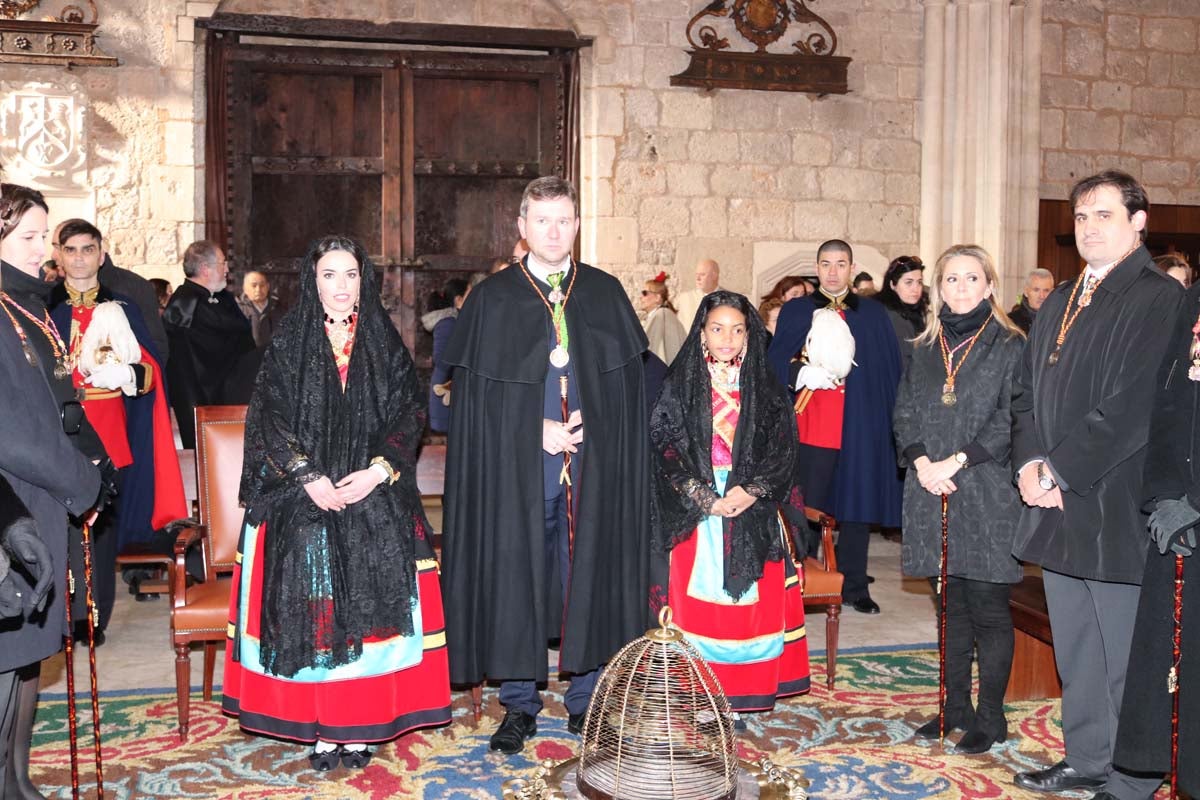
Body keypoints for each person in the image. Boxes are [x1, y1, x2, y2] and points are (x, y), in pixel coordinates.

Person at [223, 235, 451, 769]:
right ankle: (325, 727)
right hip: (303, 491)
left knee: (375, 546)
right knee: (311, 555)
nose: (342, 286)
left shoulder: (384, 340)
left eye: (351, 274)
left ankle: (359, 727)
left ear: (364, 281)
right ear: (313, 280)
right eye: (330, 274)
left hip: (371, 487)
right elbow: (268, 418)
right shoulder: (289, 340)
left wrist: (377, 471)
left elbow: (408, 415)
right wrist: (306, 476)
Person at [441, 176, 652, 755]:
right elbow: (475, 406)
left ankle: (586, 701)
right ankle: (520, 703)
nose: (553, 231)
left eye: (564, 220)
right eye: (542, 221)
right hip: (518, 472)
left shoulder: (605, 293)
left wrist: (599, 426)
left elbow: (631, 396)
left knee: (586, 573)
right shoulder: (492, 298)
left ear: (577, 226)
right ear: (522, 227)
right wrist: (531, 429)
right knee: (518, 575)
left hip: (590, 471)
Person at [1010, 170, 1183, 798]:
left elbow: (1134, 406)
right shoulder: (1059, 299)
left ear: (1139, 222)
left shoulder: (1159, 298)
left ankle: (1132, 778)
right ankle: (1086, 758)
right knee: (1077, 649)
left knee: (1124, 655)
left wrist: (1058, 469)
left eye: (1104, 215)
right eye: (1081, 217)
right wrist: (1029, 464)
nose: (1089, 227)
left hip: (1114, 504)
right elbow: (1026, 395)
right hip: (1056, 506)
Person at [893, 244, 1026, 754]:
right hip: (929, 490)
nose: (961, 287)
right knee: (949, 607)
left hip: (986, 488)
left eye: (972, 278)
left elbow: (1011, 418)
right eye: (951, 279)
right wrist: (924, 462)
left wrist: (958, 461)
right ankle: (953, 709)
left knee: (988, 608)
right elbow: (904, 410)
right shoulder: (923, 347)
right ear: (938, 288)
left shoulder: (1011, 345)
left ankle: (991, 719)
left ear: (989, 286)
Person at [650, 290, 809, 714]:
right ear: (701, 333)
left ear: (748, 335)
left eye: (737, 330)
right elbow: (664, 449)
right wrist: (705, 497)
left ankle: (743, 694)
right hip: (697, 510)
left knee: (749, 610)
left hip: (751, 506)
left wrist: (750, 490)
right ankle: (699, 698)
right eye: (717, 329)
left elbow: (784, 450)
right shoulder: (679, 386)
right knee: (700, 611)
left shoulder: (765, 386)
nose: (727, 338)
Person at [0, 182, 108, 798]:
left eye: (48, 235)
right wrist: (81, 479)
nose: (47, 249)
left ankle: (16, 782)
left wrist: (93, 453)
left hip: (46, 499)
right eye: (32, 237)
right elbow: (12, 428)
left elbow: (59, 400)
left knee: (28, 654)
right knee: (6, 654)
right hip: (15, 501)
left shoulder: (31, 303)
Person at [46, 219, 187, 632]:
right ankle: (56, 617)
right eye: (70, 250)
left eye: (87, 249)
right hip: (58, 433)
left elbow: (152, 373)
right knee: (58, 526)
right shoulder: (43, 307)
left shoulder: (122, 308)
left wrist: (128, 373)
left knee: (100, 532)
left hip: (109, 433)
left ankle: (93, 618)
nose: (78, 258)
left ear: (101, 255)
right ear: (58, 255)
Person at [767, 239, 903, 615]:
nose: (832, 271)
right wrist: (799, 373)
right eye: (825, 264)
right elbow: (773, 362)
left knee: (857, 509)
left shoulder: (873, 314)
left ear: (851, 267)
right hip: (814, 424)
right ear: (817, 266)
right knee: (809, 506)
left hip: (859, 426)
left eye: (840, 264)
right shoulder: (797, 310)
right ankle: (803, 580)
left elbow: (887, 373)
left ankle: (854, 585)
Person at [1109, 278, 1200, 798]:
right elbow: (1167, 401)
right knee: (1167, 660)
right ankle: (1162, 771)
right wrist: (1167, 494)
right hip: (1178, 515)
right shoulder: (1192, 298)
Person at [162, 240, 255, 448]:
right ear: (206, 269)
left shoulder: (222, 298)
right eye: (223, 263)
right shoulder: (183, 304)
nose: (227, 270)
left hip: (232, 393)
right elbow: (201, 356)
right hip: (202, 398)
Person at [50, 221, 171, 361]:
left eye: (58, 247)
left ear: (101, 256)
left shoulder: (132, 292)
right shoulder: (48, 299)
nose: (53, 255)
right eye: (70, 250)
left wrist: (131, 375)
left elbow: (155, 351)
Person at [422, 277, 470, 434]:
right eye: (470, 295)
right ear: (459, 300)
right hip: (444, 393)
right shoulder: (448, 323)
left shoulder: (455, 322)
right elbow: (441, 359)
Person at [877, 255, 928, 369]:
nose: (916, 288)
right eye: (908, 282)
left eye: (919, 282)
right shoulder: (890, 316)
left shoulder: (915, 311)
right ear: (892, 284)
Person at [641, 271, 687, 365]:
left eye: (645, 293)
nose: (641, 297)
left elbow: (647, 349)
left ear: (658, 297)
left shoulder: (661, 315)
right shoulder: (661, 314)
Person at [236, 270, 282, 347]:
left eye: (262, 285)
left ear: (268, 287)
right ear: (245, 289)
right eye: (254, 286)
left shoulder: (279, 309)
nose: (258, 290)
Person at [675, 257, 721, 331]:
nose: (698, 278)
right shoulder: (684, 299)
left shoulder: (730, 300)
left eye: (702, 274)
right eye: (696, 274)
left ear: (714, 276)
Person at [1007, 268, 1055, 334]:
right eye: (1036, 290)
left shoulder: (1060, 321)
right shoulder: (1010, 322)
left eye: (1046, 291)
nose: (1041, 296)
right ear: (1026, 292)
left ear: (1053, 292)